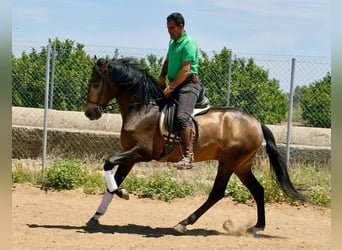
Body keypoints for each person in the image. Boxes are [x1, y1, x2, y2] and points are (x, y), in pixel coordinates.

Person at [158, 12, 201, 169]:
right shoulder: (173, 42)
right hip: (174, 84)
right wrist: (162, 76)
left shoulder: (188, 44)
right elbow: (168, 59)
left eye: (171, 28)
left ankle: (188, 157)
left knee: (182, 117)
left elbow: (185, 69)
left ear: (181, 26)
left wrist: (171, 87)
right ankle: (167, 145)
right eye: (167, 28)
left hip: (188, 86)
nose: (169, 31)